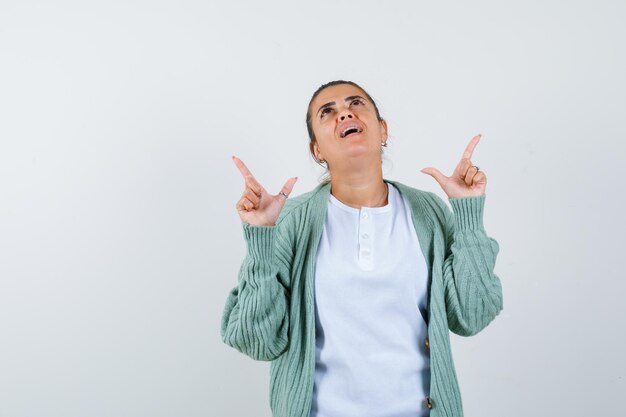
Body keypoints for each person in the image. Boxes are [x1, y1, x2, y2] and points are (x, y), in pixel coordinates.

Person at [221, 80, 503, 417]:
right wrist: (261, 240)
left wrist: (468, 213)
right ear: (317, 150)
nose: (344, 114)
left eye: (355, 103)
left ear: (382, 130)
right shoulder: (291, 221)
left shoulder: (428, 213)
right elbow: (257, 340)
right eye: (328, 112)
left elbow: (472, 316)